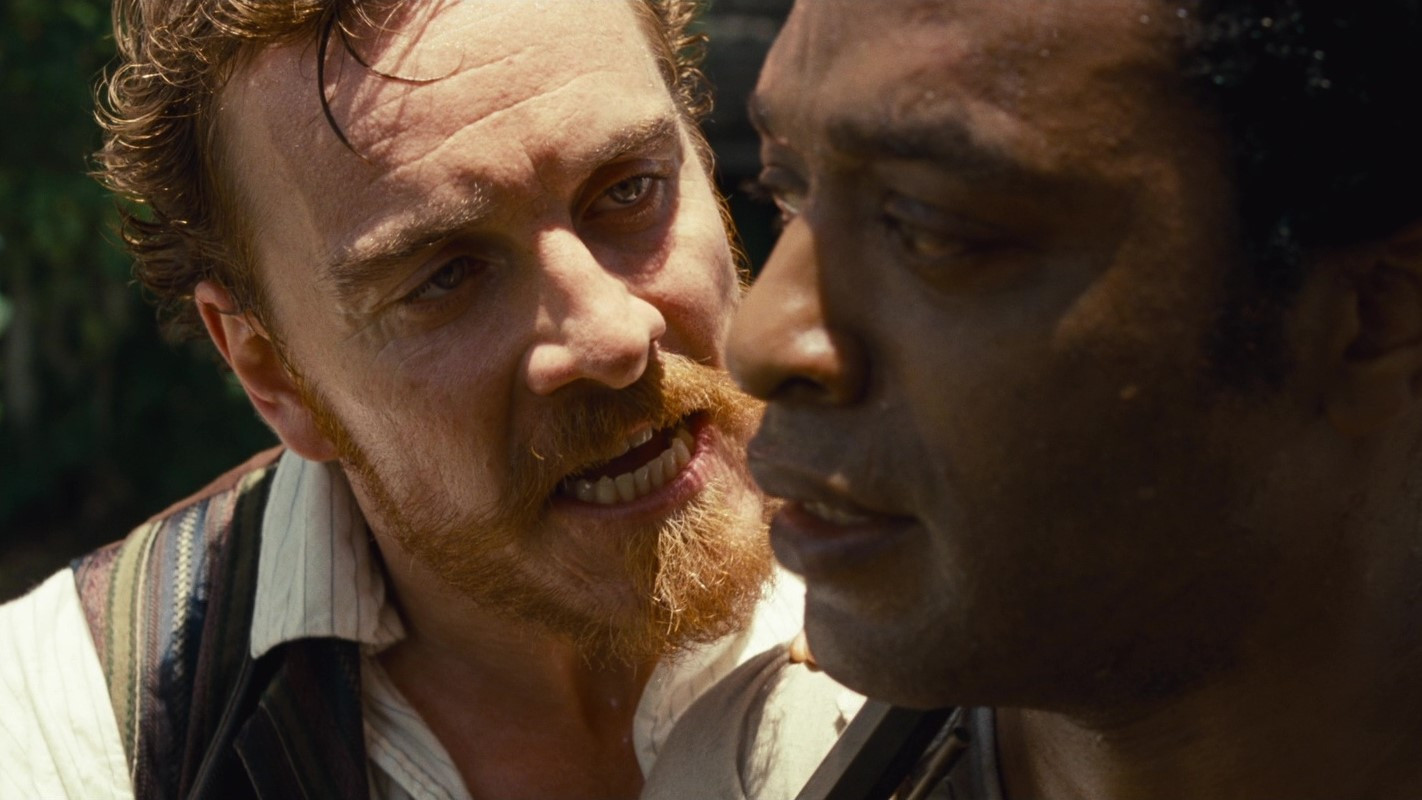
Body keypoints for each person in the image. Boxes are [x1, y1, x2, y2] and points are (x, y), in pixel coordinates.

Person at [0, 0, 852, 797]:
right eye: (446, 276)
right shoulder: (72, 733)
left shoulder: (930, 543)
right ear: (273, 371)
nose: (612, 337)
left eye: (630, 190)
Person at [655, 0, 1422, 797]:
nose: (761, 343)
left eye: (932, 228)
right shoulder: (749, 769)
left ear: (1373, 319)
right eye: (784, 193)